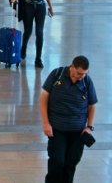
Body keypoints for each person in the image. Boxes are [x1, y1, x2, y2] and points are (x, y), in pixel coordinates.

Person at [40, 55, 97, 183]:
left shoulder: (87, 81)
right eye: (79, 73)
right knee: (57, 162)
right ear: (72, 67)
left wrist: (89, 127)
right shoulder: (57, 74)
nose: (81, 76)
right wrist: (45, 123)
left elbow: (92, 105)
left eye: (84, 73)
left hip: (78, 132)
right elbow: (43, 99)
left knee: (71, 164)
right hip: (57, 129)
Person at [10, 0, 54, 68]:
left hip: (40, 7)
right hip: (28, 7)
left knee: (39, 32)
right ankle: (23, 48)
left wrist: (50, 7)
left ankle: (38, 58)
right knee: (28, 31)